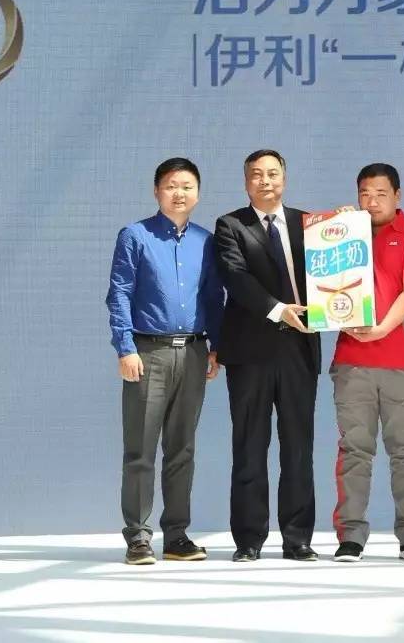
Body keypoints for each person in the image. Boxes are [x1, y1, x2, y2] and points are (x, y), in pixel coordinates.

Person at [106, 157, 224, 565]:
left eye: (187, 186)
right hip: (148, 353)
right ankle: (138, 537)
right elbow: (120, 293)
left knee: (182, 449)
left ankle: (177, 536)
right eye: (171, 185)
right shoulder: (135, 236)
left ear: (198, 193)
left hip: (193, 352)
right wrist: (125, 347)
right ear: (157, 191)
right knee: (140, 449)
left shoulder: (206, 241)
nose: (179, 193)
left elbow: (214, 297)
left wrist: (216, 347)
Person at [213, 149, 322, 562]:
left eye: (273, 174)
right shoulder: (230, 225)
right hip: (250, 352)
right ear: (246, 182)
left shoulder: (310, 224)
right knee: (249, 446)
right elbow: (236, 277)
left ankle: (298, 539)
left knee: (299, 447)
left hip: (299, 349)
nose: (266, 181)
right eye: (257, 175)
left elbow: (337, 269)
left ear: (284, 179)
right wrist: (278, 310)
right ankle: (248, 540)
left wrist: (347, 226)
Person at [330, 163, 404, 563]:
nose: (372, 201)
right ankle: (351, 536)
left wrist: (379, 330)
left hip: (402, 361)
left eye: (380, 194)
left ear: (397, 196)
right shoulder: (344, 236)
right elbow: (324, 288)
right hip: (352, 361)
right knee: (354, 451)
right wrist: (335, 230)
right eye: (365, 194)